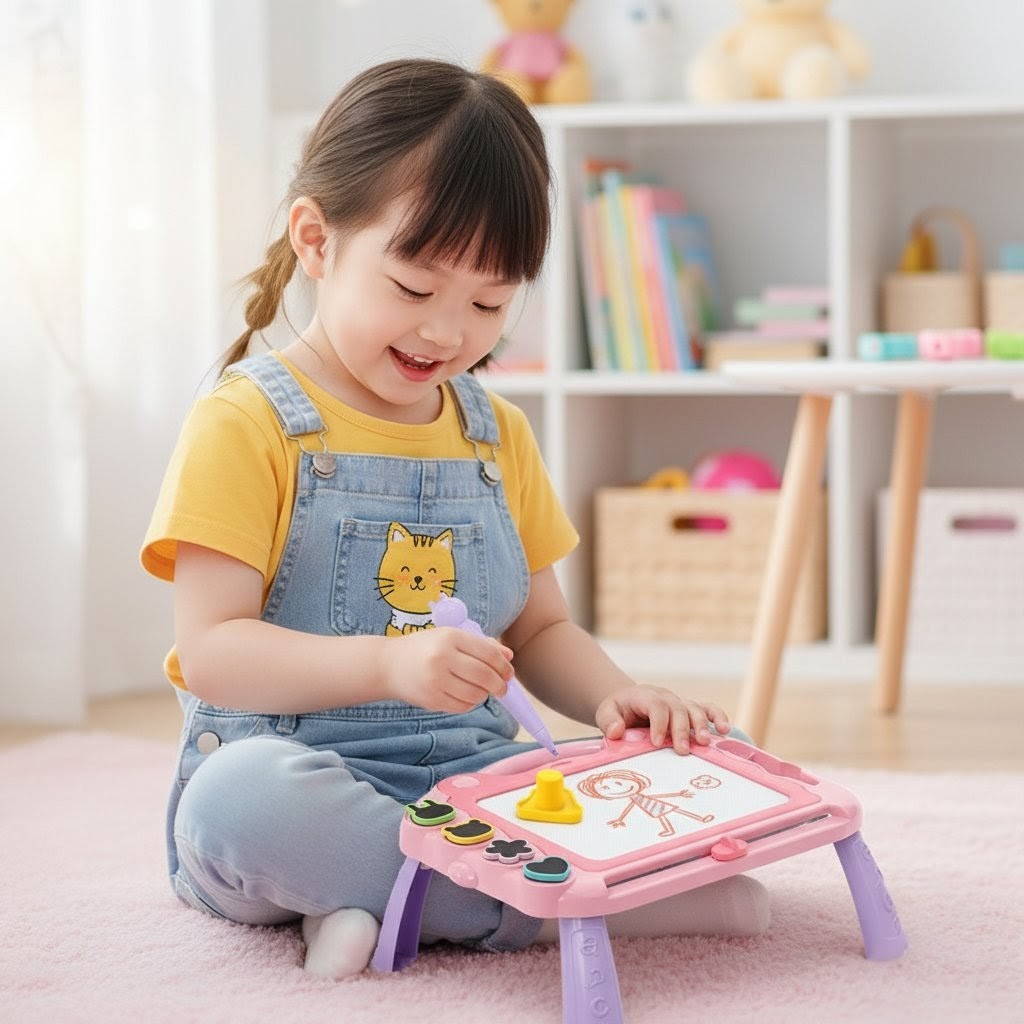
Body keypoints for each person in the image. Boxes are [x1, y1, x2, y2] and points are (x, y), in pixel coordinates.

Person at [141, 57, 769, 981]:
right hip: (293, 775)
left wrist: (615, 700)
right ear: (317, 240)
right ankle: (552, 908)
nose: (446, 333)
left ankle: (378, 901)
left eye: (488, 302)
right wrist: (387, 662)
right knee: (239, 806)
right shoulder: (246, 422)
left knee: (719, 759)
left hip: (469, 792)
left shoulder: (494, 431)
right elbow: (214, 652)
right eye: (412, 288)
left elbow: (539, 624)